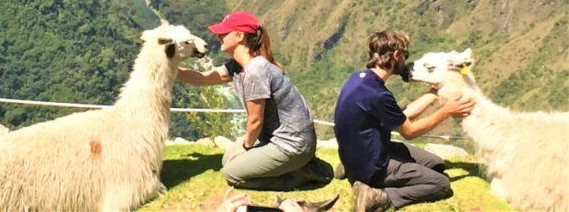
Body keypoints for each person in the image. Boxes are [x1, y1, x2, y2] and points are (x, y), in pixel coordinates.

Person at [178, 11, 330, 191]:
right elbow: (201, 79)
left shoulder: (256, 70)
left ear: (239, 35)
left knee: (232, 173)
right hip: (273, 138)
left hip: (292, 144)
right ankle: (296, 166)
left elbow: (255, 120)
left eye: (224, 33)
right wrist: (168, 65)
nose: (219, 36)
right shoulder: (238, 66)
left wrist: (245, 146)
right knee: (227, 159)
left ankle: (301, 176)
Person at [333, 29, 475, 211]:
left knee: (436, 164)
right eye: (405, 55)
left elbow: (401, 116)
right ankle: (380, 197)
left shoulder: (358, 80)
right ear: (396, 55)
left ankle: (351, 168)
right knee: (440, 183)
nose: (405, 61)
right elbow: (410, 132)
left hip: (359, 152)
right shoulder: (378, 94)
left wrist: (433, 94)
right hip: (373, 165)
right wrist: (446, 111)